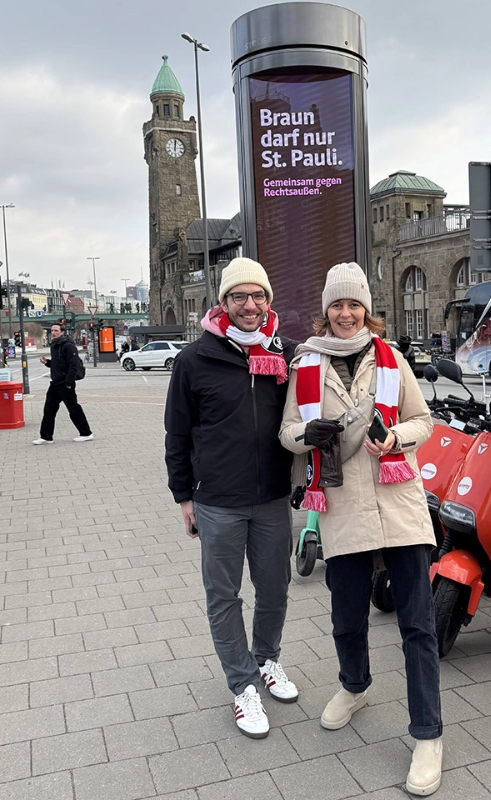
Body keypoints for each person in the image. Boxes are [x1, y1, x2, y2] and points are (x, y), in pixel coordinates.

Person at [279, 262, 443, 796]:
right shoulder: (306, 363)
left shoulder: (391, 357)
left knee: (417, 625)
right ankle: (354, 686)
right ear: (326, 311)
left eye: (354, 305)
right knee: (346, 616)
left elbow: (424, 420)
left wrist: (396, 438)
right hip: (342, 505)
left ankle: (428, 735)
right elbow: (286, 432)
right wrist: (308, 433)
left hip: (399, 503)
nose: (346, 314)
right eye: (337, 305)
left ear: (365, 310)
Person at [165, 257, 299, 739]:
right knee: (224, 596)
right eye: (238, 296)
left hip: (272, 498)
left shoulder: (285, 354)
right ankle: (242, 685)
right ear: (223, 303)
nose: (249, 305)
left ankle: (266, 660)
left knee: (275, 588)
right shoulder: (194, 359)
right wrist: (183, 496)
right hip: (217, 501)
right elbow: (177, 433)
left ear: (268, 301)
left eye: (257, 295)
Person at [33, 322, 93, 445]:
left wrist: (68, 383)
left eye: (56, 330)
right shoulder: (55, 345)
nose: (53, 333)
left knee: (73, 409)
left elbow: (73, 365)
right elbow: (58, 364)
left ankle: (86, 433)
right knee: (49, 410)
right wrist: (47, 363)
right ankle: (46, 437)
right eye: (52, 330)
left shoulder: (68, 346)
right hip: (55, 383)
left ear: (62, 332)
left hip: (65, 383)